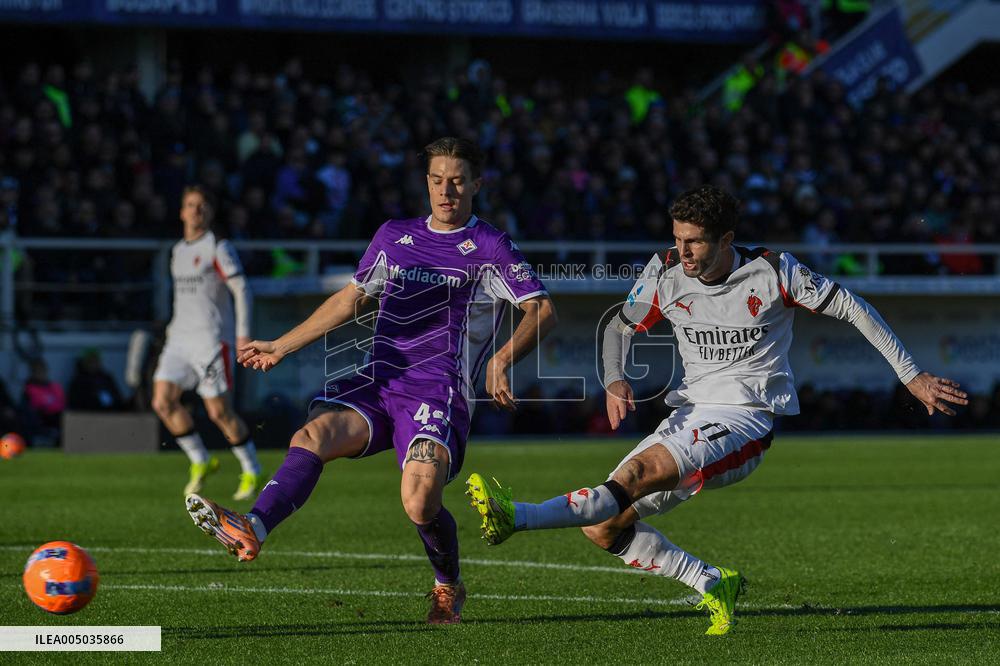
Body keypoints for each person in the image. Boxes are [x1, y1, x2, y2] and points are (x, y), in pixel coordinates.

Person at [466, 185, 968, 636]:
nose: (682, 251)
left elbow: (854, 308)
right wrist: (615, 378)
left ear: (727, 238)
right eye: (678, 238)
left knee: (637, 473)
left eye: (696, 241)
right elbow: (620, 326)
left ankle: (518, 517)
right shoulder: (664, 270)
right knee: (604, 525)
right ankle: (711, 582)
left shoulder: (774, 271)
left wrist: (911, 375)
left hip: (746, 419)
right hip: (689, 414)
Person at [184, 137, 557, 624]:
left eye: (458, 180)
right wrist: (282, 344)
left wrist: (503, 358)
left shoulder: (489, 245)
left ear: (477, 184)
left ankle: (448, 585)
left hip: (437, 390)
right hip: (381, 381)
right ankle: (252, 524)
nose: (447, 190)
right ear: (427, 182)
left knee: (419, 500)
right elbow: (352, 298)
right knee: (312, 435)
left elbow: (542, 308)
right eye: (438, 179)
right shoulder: (393, 235)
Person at [151, 185, 260, 499]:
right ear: (181, 212)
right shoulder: (177, 251)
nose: (195, 211)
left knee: (218, 413)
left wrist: (243, 335)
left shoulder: (218, 247)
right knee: (162, 401)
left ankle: (251, 467)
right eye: (190, 205)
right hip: (179, 340)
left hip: (212, 341)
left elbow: (242, 291)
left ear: (209, 212)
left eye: (201, 206)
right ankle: (201, 460)